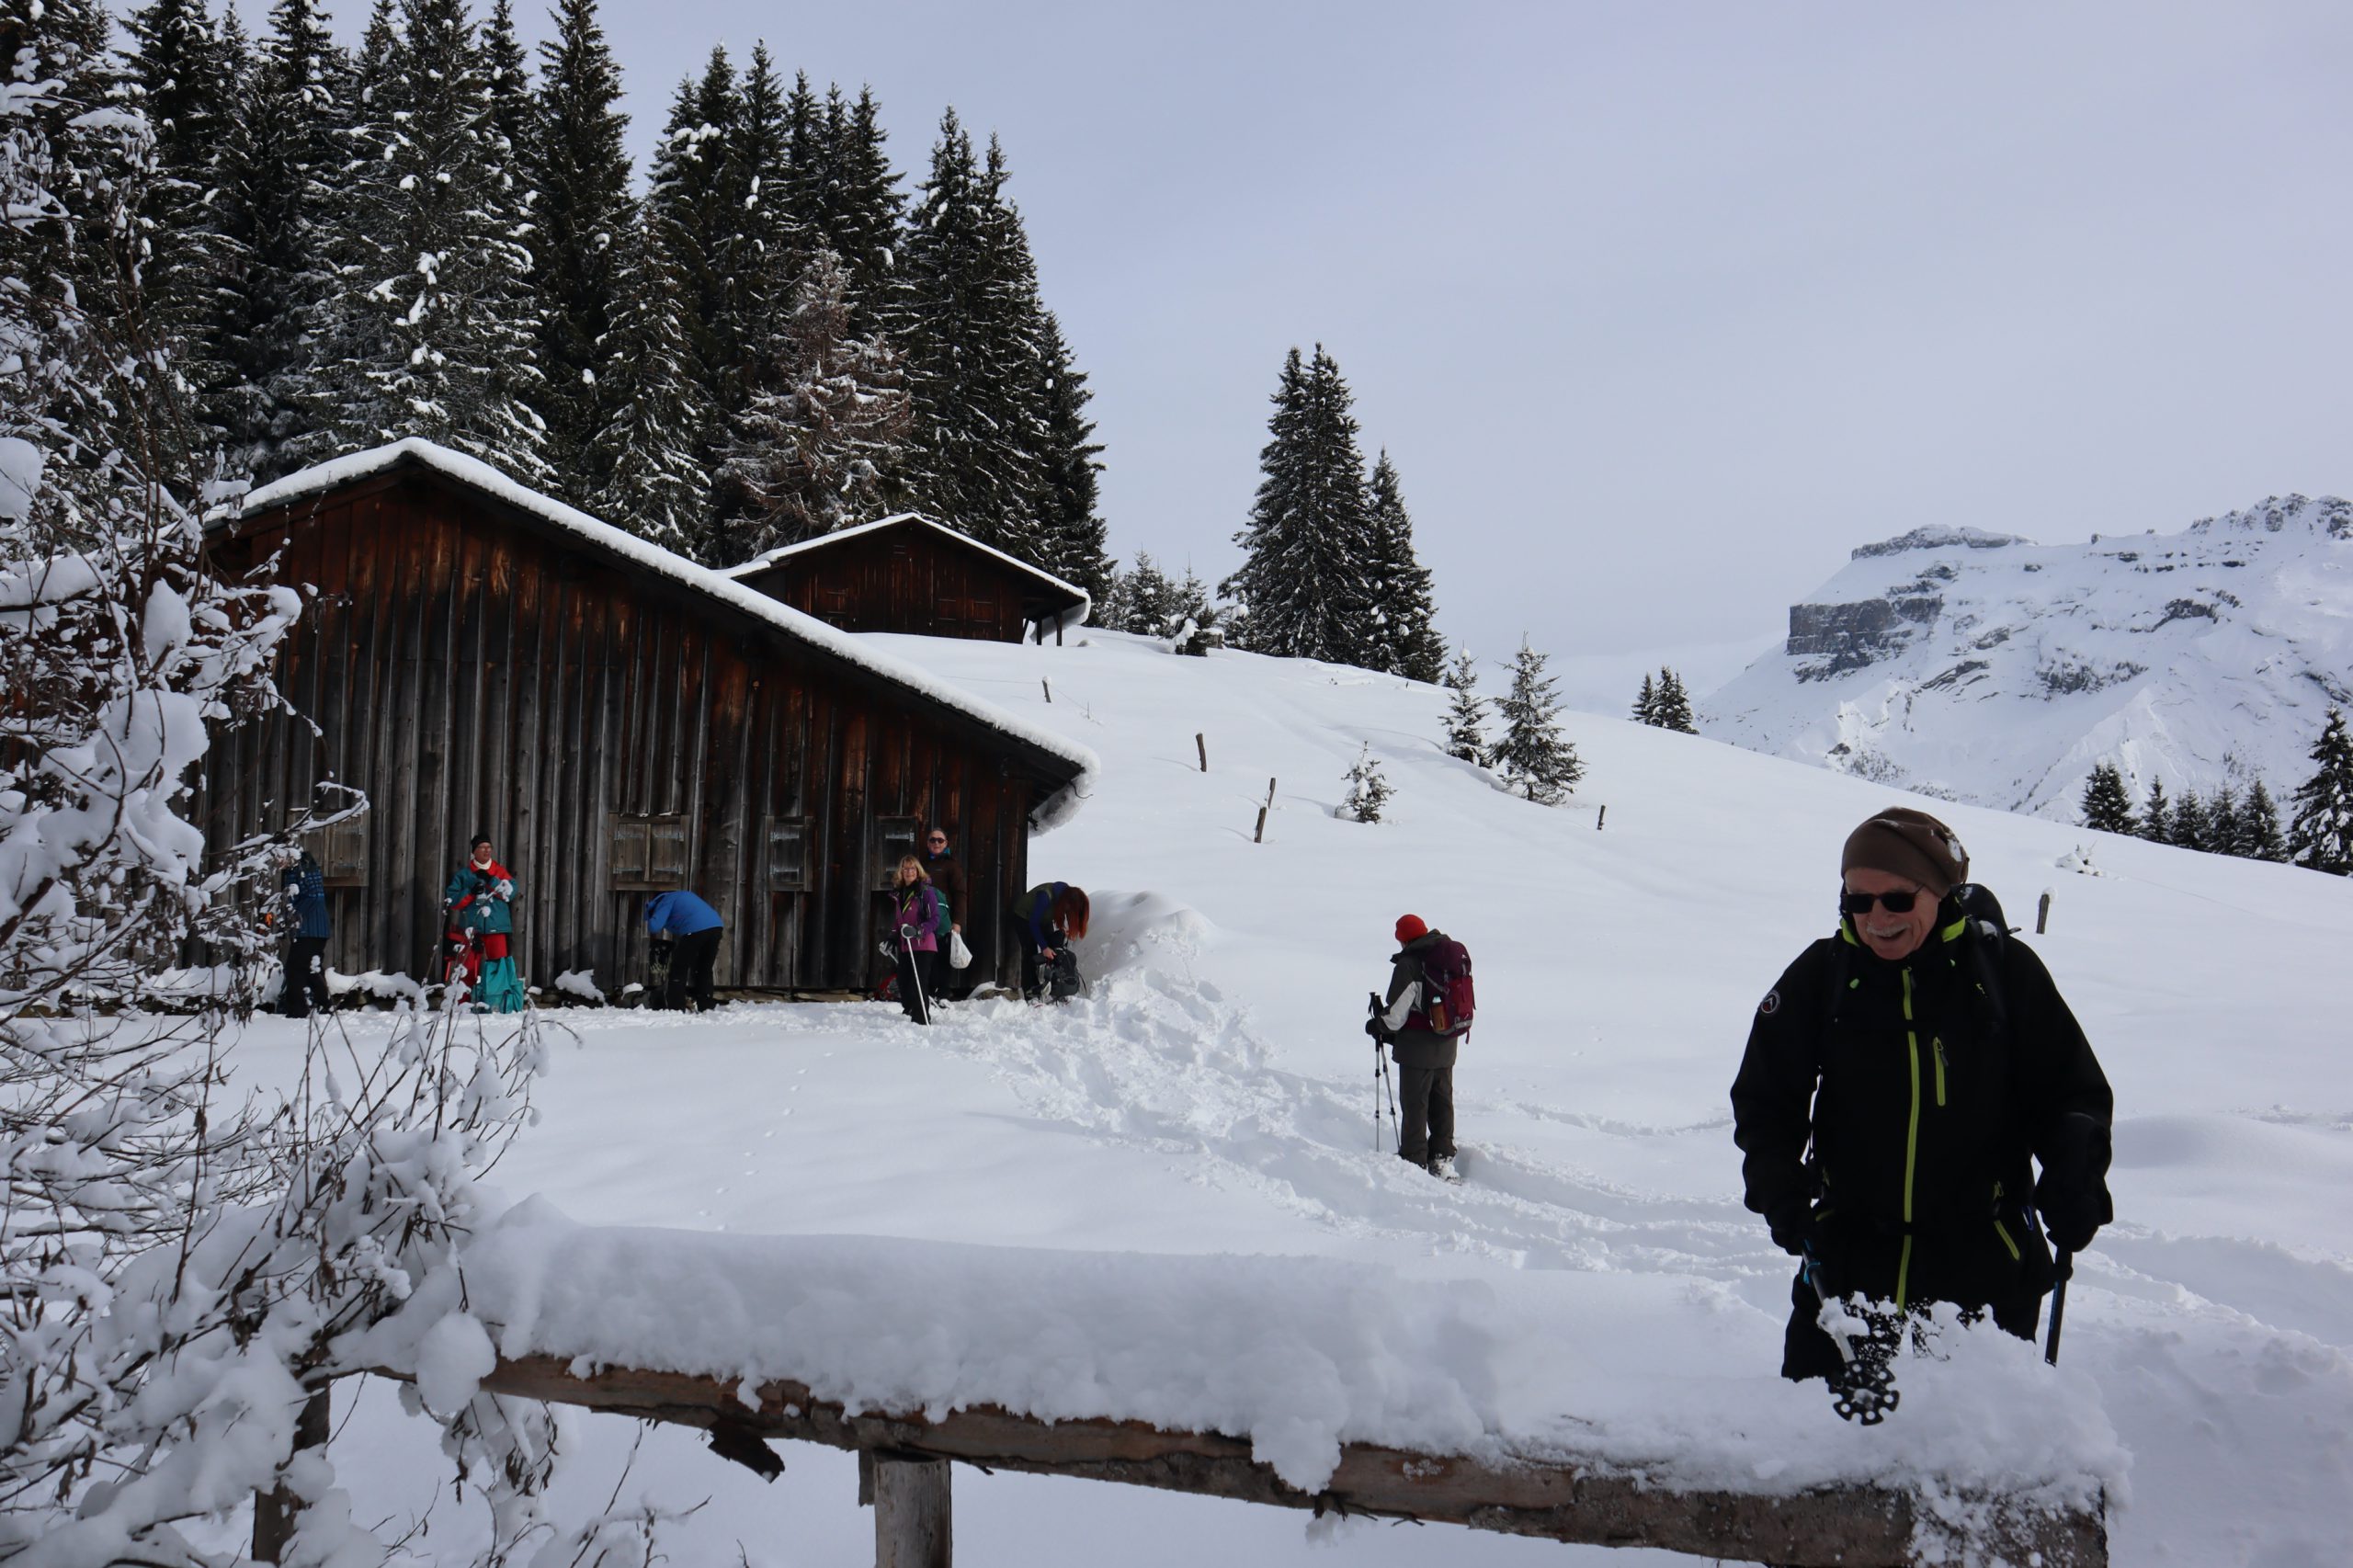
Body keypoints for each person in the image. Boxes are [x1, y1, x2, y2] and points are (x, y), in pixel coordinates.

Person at [1731, 806, 2115, 1382]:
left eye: (1897, 900)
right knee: (1818, 1448)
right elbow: (1767, 1098)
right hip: (1846, 1267)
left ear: (1941, 892)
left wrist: (2075, 1171)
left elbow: (2072, 1094)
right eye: (1857, 901)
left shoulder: (2004, 975)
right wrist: (1776, 1181)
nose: (1875, 918)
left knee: (1973, 1455)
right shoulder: (1823, 975)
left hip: (1985, 1271)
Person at [1368, 915, 1467, 1180]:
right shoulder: (1446, 957)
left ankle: (1414, 1161)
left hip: (1417, 1049)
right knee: (1442, 1100)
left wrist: (1378, 1026)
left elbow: (1396, 1015)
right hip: (1447, 1043)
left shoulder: (1410, 965)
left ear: (1403, 939)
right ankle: (1442, 1157)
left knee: (1415, 1104)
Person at [444, 834, 525, 1013]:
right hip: (473, 929)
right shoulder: (464, 875)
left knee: (499, 968)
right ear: (474, 852)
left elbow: (510, 893)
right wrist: (471, 892)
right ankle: (463, 1005)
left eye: (489, 847)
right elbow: (453, 901)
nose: (487, 850)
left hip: (498, 928)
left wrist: (491, 880)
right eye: (482, 847)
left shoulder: (499, 871)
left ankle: (498, 1004)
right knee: (468, 968)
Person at [885, 855, 948, 1024]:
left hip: (924, 944)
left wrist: (918, 931)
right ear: (901, 872)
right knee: (903, 979)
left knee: (918, 981)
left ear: (918, 871)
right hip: (906, 946)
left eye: (912, 868)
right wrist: (891, 939)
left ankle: (921, 1018)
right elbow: (899, 922)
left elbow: (935, 919)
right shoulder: (900, 894)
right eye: (905, 869)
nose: (909, 872)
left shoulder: (925, 892)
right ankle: (910, 1008)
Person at [644, 890, 724, 1011]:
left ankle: (676, 1007)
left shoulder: (665, 901)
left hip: (696, 928)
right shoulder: (682, 896)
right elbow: (683, 924)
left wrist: (654, 918)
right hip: (716, 926)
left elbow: (654, 926)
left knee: (679, 968)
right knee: (704, 969)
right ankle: (706, 1006)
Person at [1010, 881, 1088, 1001]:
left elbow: (1057, 913)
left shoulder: (1066, 897)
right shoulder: (1045, 897)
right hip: (1024, 918)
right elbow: (1034, 923)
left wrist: (1061, 928)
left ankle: (1057, 987)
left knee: (1055, 949)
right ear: (1066, 902)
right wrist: (1044, 947)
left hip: (1043, 920)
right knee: (1030, 954)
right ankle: (1031, 994)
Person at [279, 846, 332, 1018]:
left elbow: (315, 896)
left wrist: (294, 915)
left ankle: (297, 1009)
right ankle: (324, 1004)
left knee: (295, 968)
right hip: (307, 929)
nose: (278, 862)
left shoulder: (305, 868)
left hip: (312, 928)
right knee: (310, 969)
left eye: (279, 857)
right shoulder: (294, 869)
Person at [920, 825, 971, 1000]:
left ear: (946, 843)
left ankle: (943, 993)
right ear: (927, 843)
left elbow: (960, 894)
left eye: (940, 840)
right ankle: (927, 991)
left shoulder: (951, 865)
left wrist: (957, 921)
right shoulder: (922, 864)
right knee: (927, 956)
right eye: (932, 840)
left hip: (944, 919)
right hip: (924, 918)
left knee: (943, 956)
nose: (936, 843)